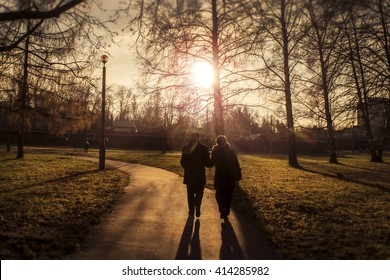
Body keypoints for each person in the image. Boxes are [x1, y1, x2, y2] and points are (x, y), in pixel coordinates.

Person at [180, 132, 213, 217]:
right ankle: (197, 208)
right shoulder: (204, 148)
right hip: (200, 175)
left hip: (189, 175)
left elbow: (182, 162)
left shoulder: (185, 148)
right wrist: (214, 160)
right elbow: (207, 163)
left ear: (191, 138)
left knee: (190, 194)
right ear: (199, 138)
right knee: (199, 194)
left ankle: (191, 211)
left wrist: (188, 168)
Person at [212, 135, 242, 219]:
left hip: (220, 176)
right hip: (230, 177)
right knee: (228, 196)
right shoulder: (230, 151)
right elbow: (236, 164)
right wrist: (238, 174)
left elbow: (212, 162)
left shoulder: (216, 151)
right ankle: (225, 211)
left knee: (219, 194)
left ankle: (223, 209)